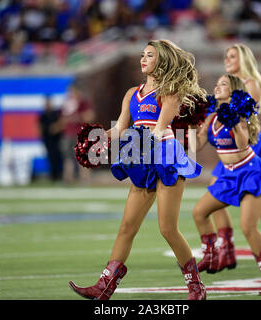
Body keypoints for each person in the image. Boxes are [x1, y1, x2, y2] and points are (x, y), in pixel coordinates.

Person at [69, 39, 207, 300]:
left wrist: (140, 141)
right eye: (142, 55)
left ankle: (196, 286)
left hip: (165, 154)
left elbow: (160, 127)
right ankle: (104, 287)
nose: (143, 59)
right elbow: (120, 128)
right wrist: (96, 139)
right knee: (127, 226)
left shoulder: (170, 91)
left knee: (167, 228)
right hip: (142, 152)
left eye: (150, 55)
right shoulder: (132, 93)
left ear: (162, 61)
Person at [202, 44, 261, 278]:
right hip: (228, 147)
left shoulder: (250, 83)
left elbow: (245, 118)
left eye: (232, 56)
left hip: (251, 147)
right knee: (216, 191)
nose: (227, 59)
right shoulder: (225, 83)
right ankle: (226, 248)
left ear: (244, 59)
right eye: (226, 56)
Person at [189, 74, 261, 295]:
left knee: (248, 227)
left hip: (250, 171)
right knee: (199, 212)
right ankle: (210, 256)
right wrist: (190, 124)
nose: (217, 86)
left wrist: (235, 122)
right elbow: (197, 146)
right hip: (227, 174)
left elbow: (242, 143)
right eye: (217, 83)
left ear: (234, 89)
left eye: (223, 84)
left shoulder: (240, 112)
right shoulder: (211, 116)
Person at [54, 84, 95, 185]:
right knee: (68, 157)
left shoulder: (82, 103)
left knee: (83, 157)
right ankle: (68, 179)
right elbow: (61, 120)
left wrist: (77, 117)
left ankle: (85, 179)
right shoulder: (67, 104)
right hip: (68, 134)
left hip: (80, 133)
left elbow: (90, 116)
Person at [38, 96, 63, 182]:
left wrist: (56, 128)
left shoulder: (55, 114)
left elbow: (60, 124)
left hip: (56, 139)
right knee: (50, 157)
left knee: (58, 157)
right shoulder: (43, 115)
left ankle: (59, 175)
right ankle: (53, 176)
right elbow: (40, 127)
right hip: (47, 140)